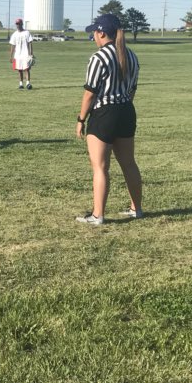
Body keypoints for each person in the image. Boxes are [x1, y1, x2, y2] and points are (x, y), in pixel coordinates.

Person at [75, 13, 142, 225]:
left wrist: (81, 119)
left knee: (100, 167)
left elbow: (90, 93)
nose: (94, 36)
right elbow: (132, 90)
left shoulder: (99, 57)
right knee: (129, 164)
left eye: (95, 32)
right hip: (126, 111)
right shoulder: (131, 55)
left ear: (101, 32)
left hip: (105, 114)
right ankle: (136, 209)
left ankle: (98, 215)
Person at [8, 18, 34, 89]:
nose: (18, 25)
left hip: (26, 54)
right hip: (18, 55)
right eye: (16, 24)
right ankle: (21, 84)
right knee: (19, 70)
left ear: (22, 24)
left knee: (27, 69)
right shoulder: (14, 34)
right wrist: (11, 56)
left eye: (19, 23)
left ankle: (28, 83)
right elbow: (12, 46)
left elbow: (30, 43)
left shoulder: (27, 32)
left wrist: (31, 54)